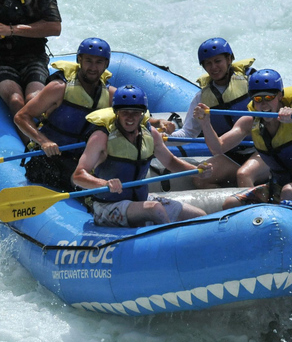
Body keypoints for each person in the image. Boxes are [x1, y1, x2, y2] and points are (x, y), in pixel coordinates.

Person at [194, 69, 292, 212]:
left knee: (289, 192)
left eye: (269, 98)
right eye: (258, 99)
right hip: (280, 187)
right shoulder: (250, 121)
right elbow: (217, 148)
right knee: (231, 203)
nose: (263, 105)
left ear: (280, 96)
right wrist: (205, 123)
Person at [72, 85, 212, 227]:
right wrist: (104, 184)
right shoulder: (101, 137)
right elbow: (77, 176)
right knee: (155, 209)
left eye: (135, 112)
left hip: (140, 202)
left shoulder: (151, 134)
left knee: (198, 215)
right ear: (116, 113)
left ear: (142, 114)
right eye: (125, 112)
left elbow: (171, 162)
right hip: (107, 207)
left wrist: (196, 172)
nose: (130, 117)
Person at [14, 37, 115, 192]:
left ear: (106, 64)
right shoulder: (59, 88)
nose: (93, 67)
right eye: (89, 61)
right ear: (79, 60)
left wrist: (158, 123)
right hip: (48, 160)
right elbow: (21, 117)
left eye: (99, 62)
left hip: (82, 164)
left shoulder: (110, 94)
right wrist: (44, 141)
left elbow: (133, 116)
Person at [170, 37, 269, 189]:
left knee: (244, 174)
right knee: (200, 179)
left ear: (229, 59)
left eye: (218, 61)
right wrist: (161, 138)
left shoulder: (252, 83)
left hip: (262, 149)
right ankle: (230, 202)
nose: (213, 67)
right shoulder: (201, 98)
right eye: (208, 63)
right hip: (232, 154)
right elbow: (188, 133)